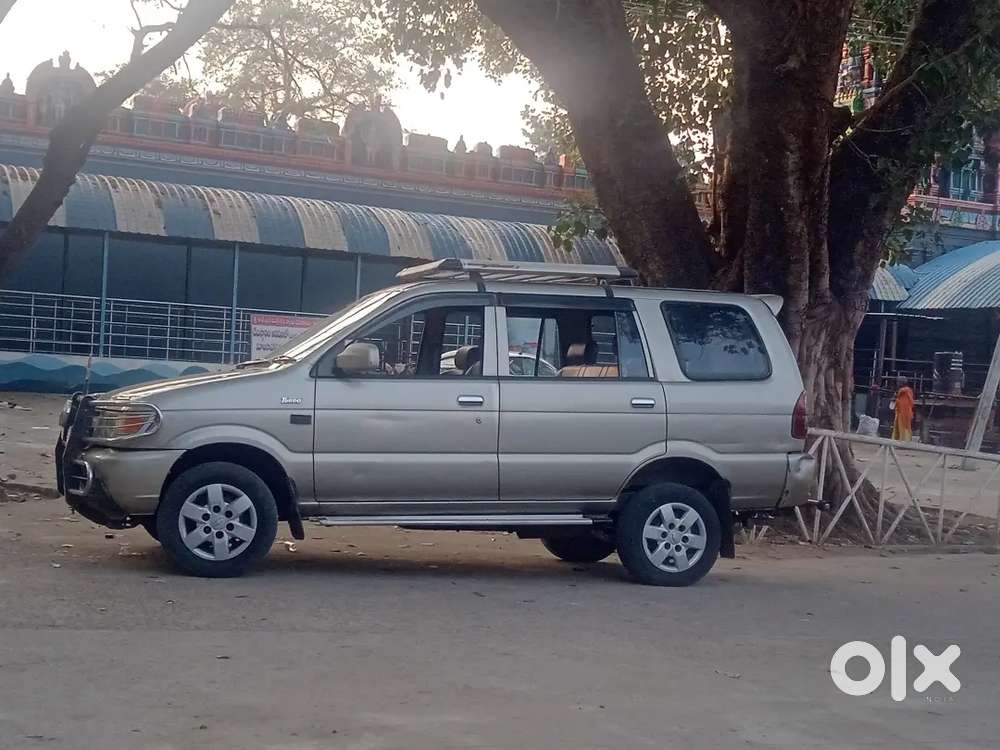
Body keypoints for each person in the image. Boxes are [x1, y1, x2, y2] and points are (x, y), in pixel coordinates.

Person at [891, 375, 915, 441]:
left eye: (898, 382)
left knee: (904, 427)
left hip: (904, 412)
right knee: (898, 427)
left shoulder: (905, 391)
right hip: (900, 412)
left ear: (902, 383)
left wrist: (896, 400)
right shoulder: (904, 391)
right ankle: (897, 440)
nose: (897, 383)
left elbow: (904, 403)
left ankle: (904, 441)